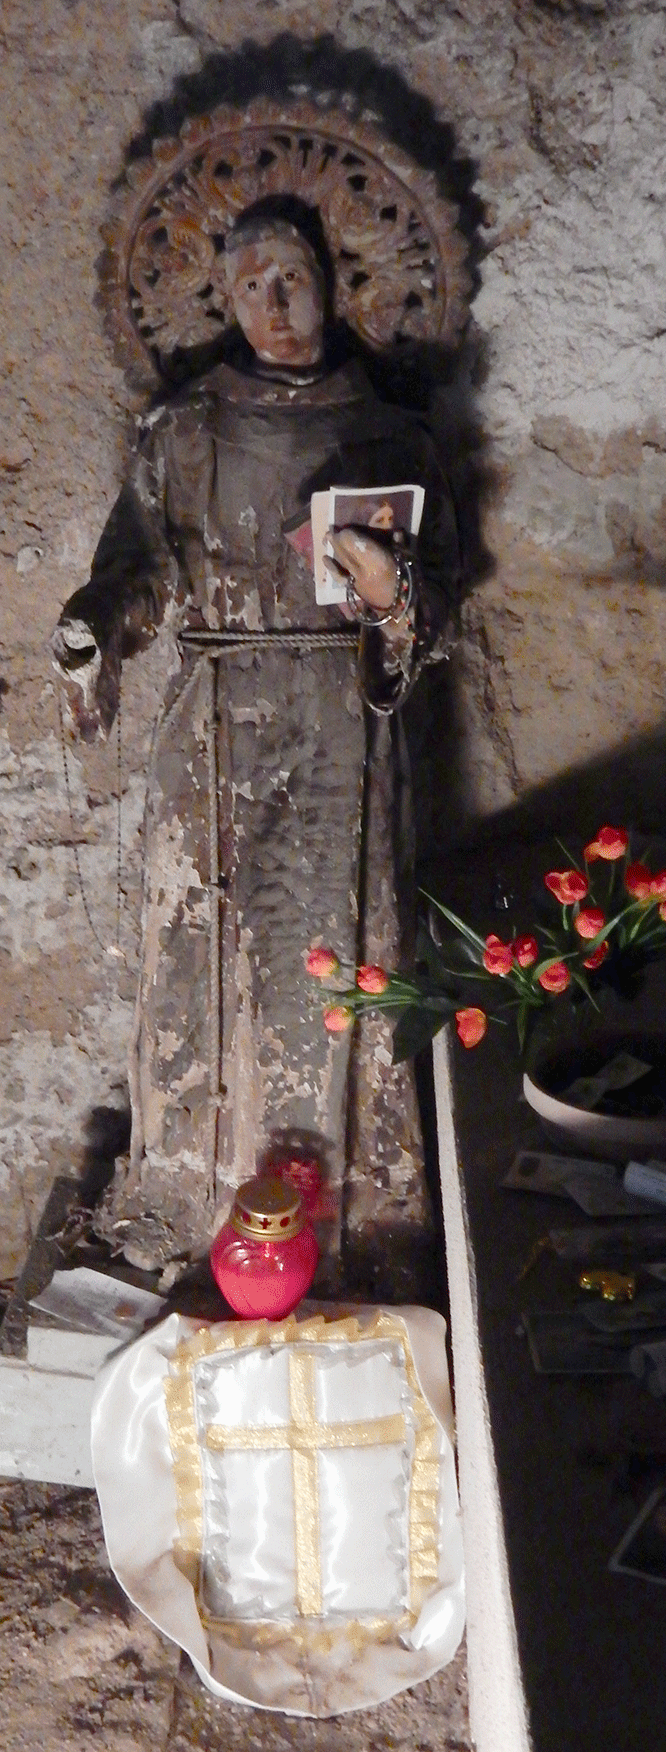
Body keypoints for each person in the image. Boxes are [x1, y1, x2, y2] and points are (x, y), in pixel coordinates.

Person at [52, 210, 460, 1278]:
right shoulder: (182, 433)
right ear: (226, 305)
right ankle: (195, 1191)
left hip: (343, 726)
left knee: (343, 954)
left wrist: (393, 592)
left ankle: (355, 1207)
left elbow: (435, 613)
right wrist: (95, 621)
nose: (274, 304)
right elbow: (141, 573)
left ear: (331, 281)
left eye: (291, 276)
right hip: (214, 728)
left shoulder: (395, 437)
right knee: (201, 951)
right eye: (249, 287)